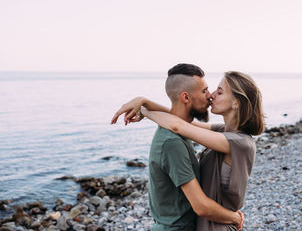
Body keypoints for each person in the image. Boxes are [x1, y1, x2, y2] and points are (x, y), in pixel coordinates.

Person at [112, 65, 265, 230]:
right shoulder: (222, 132)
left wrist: (145, 111)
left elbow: (178, 126)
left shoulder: (240, 143)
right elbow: (184, 122)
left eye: (219, 92)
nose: (212, 95)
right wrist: (144, 103)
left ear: (236, 102)